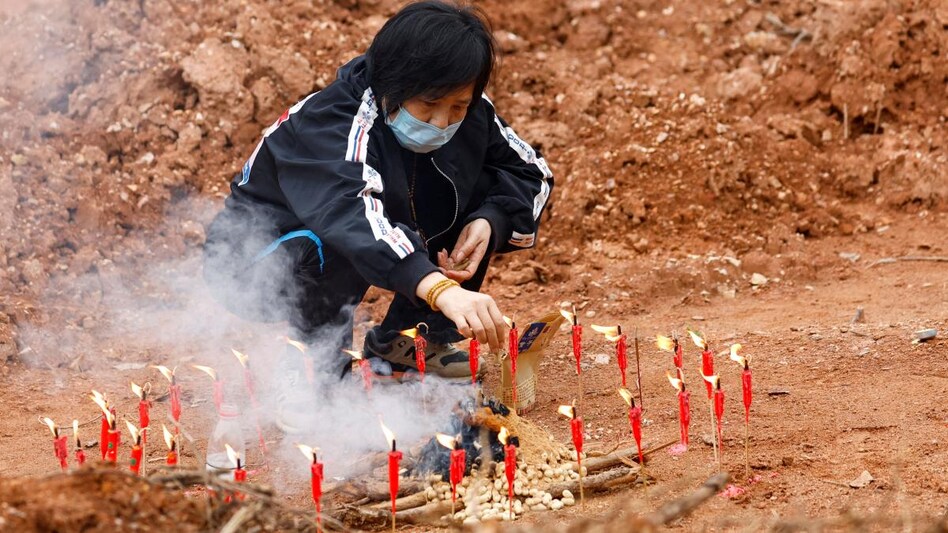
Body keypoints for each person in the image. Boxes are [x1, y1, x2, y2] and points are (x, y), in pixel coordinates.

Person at [203, 1, 553, 390]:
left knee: (481, 189)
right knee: (340, 235)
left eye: (458, 106)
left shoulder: (471, 110)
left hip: (358, 229)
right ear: (393, 84)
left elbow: (531, 172)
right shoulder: (333, 121)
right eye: (429, 105)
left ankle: (411, 343)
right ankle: (309, 366)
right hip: (256, 264)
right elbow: (352, 216)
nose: (443, 121)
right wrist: (440, 289)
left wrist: (491, 220)